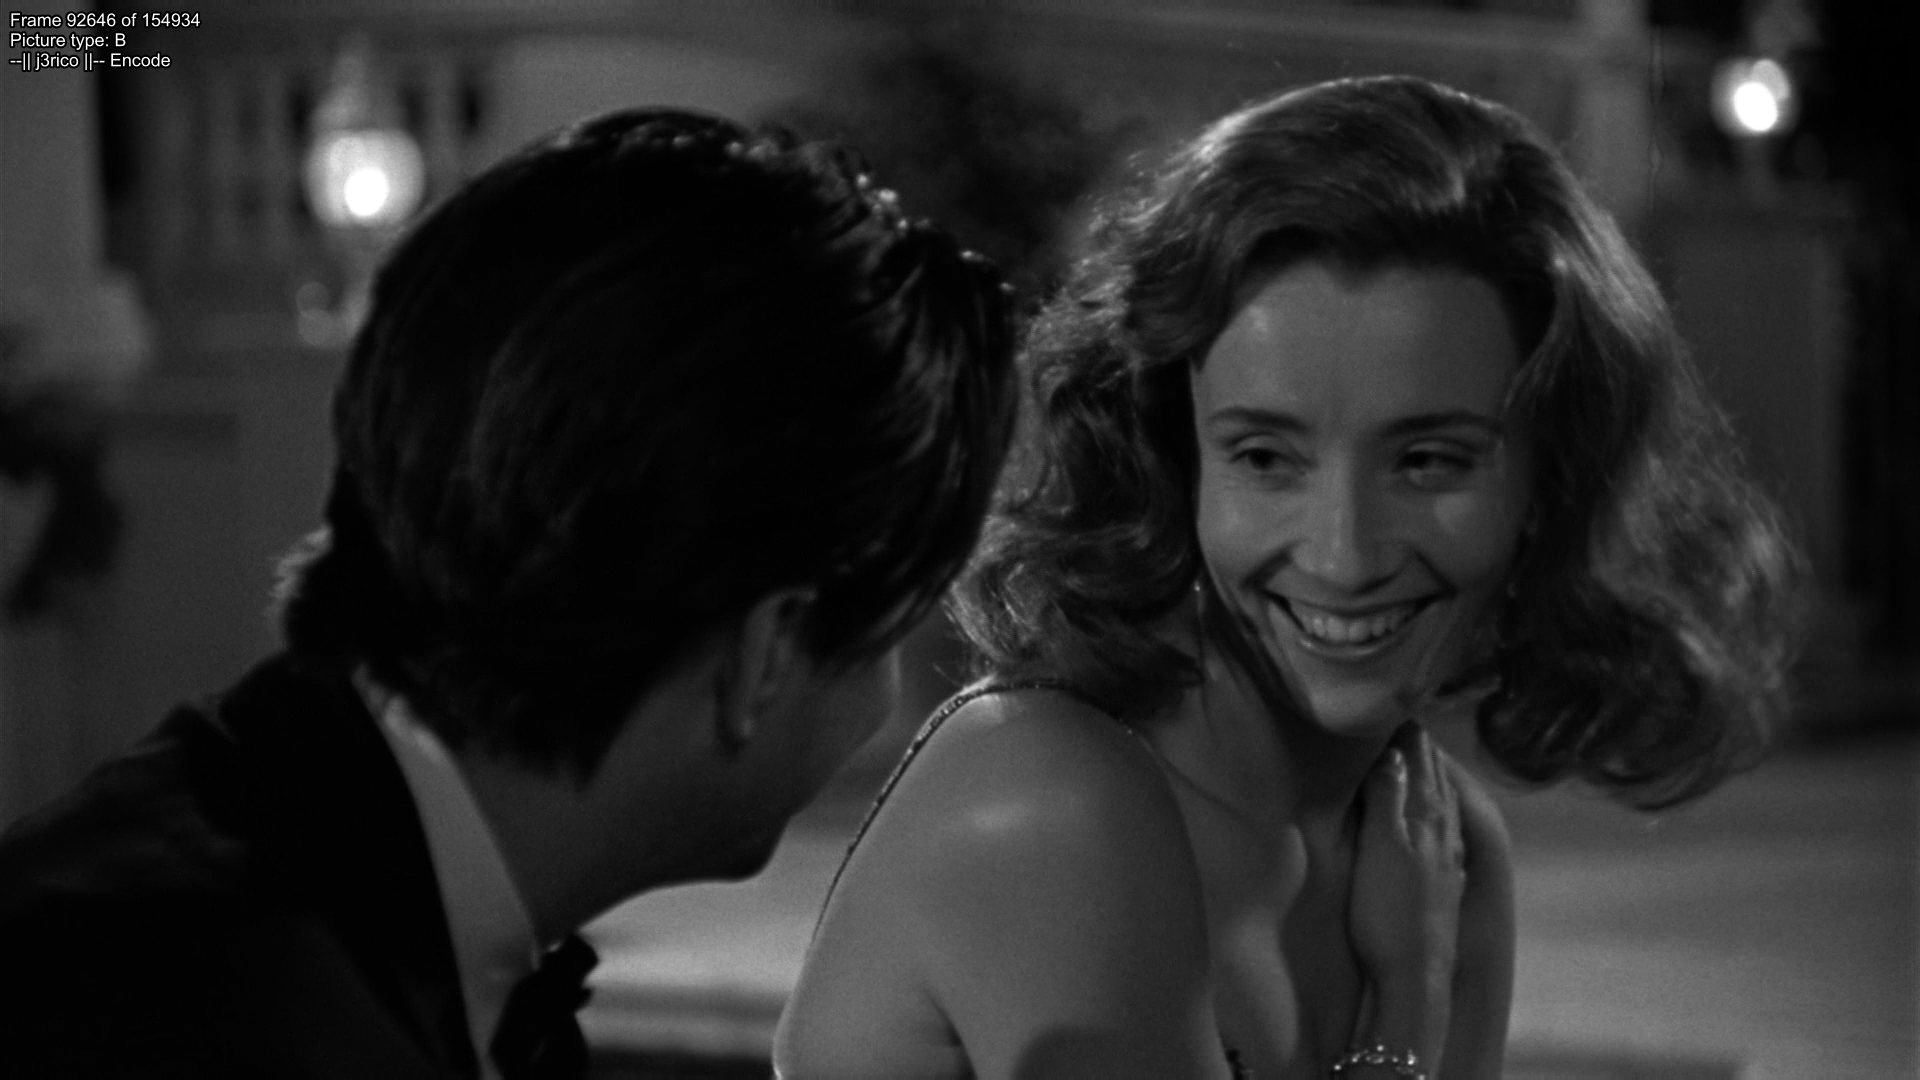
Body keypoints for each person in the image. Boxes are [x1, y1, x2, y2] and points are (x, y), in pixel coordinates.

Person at [777, 75, 1801, 1079]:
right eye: (1266, 458)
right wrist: (1406, 1006)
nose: (1344, 556)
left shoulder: (1446, 853)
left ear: (1555, 478)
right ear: (1174, 456)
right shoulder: (1044, 800)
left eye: (1427, 461)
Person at [0, 108, 1018, 1078]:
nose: (887, 703)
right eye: (897, 634)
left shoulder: (285, 856)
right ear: (769, 651)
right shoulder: (242, 1028)